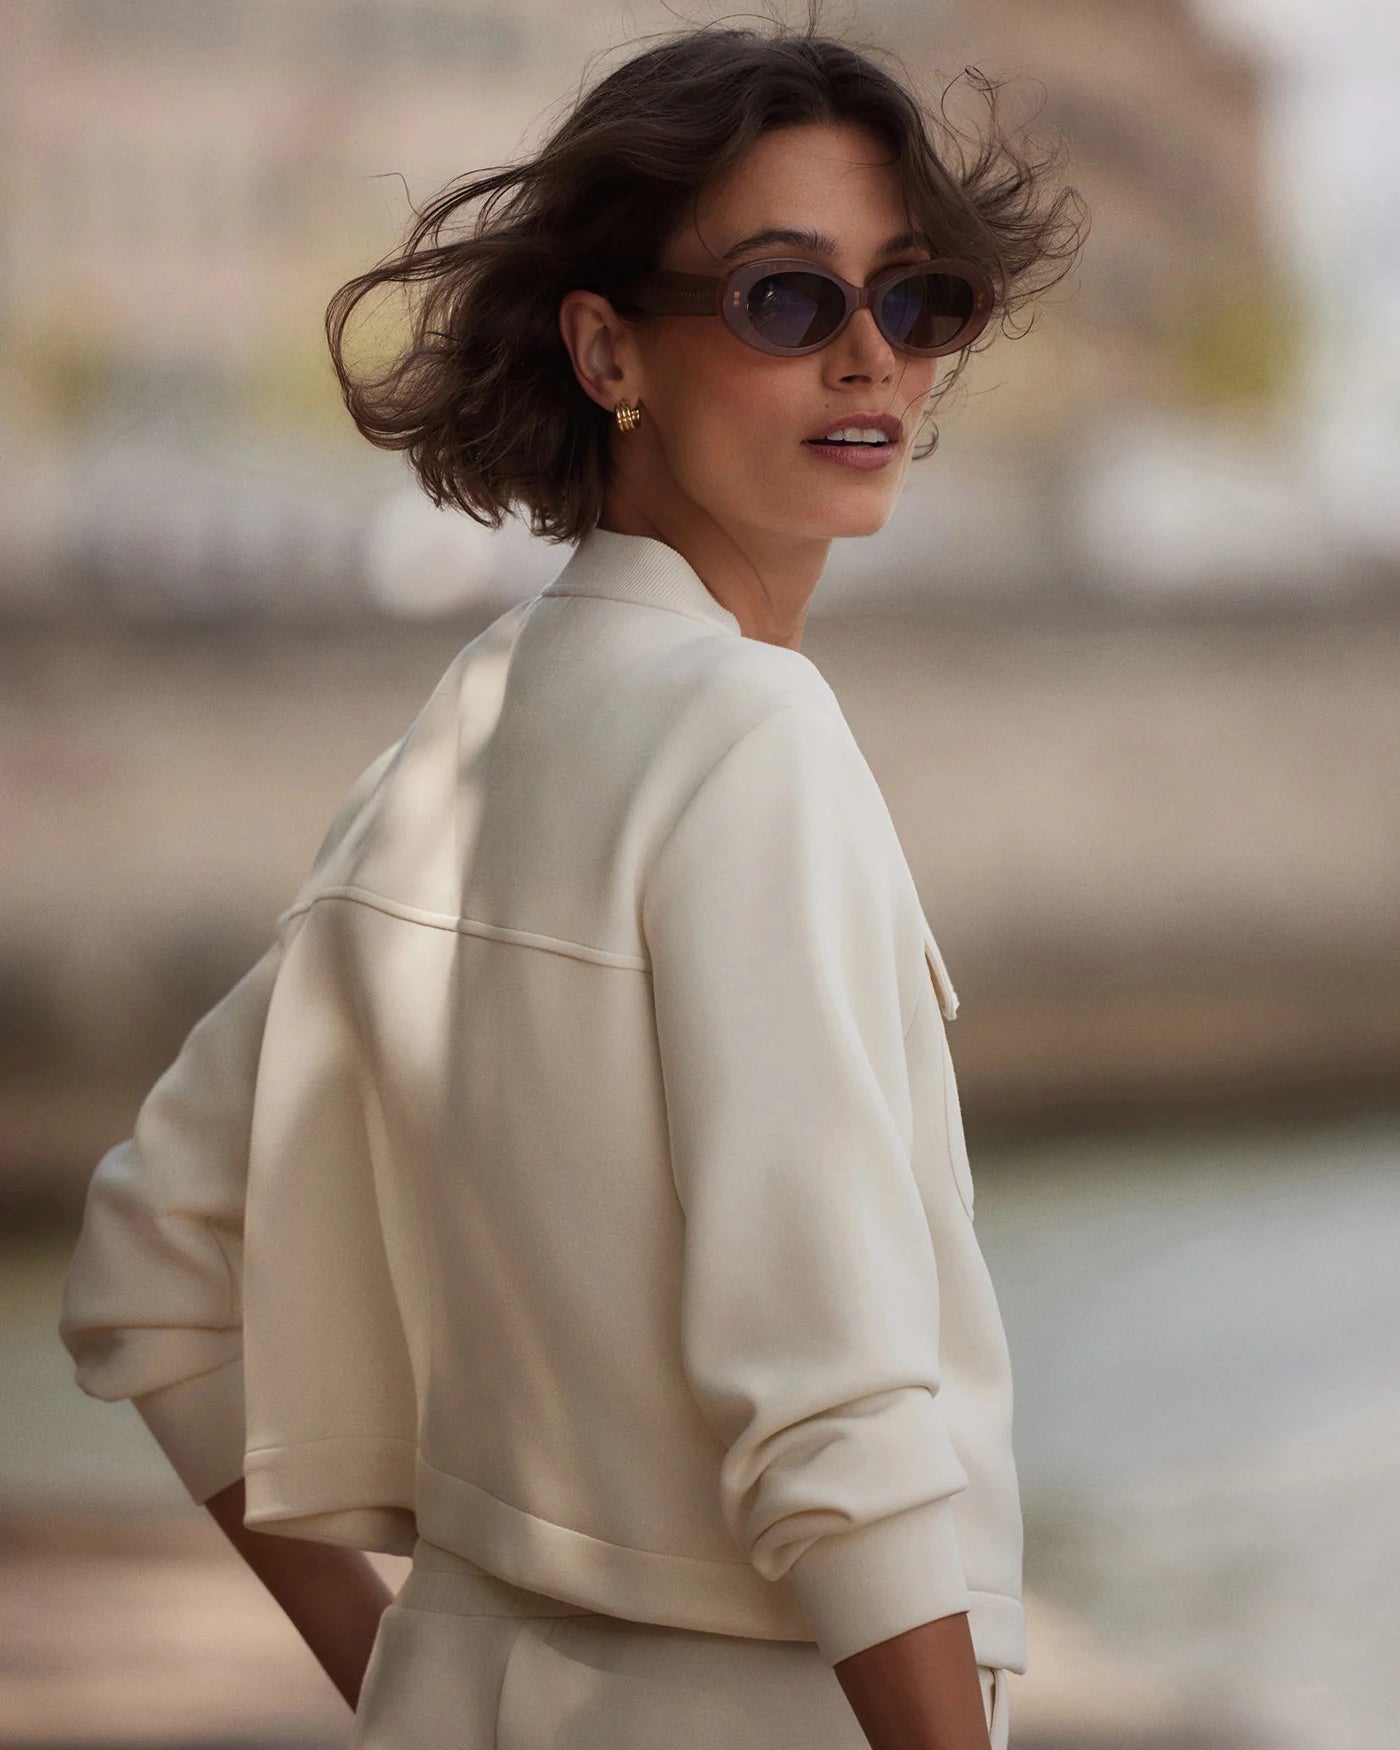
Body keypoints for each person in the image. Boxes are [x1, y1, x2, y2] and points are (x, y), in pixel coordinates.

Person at [57, 9, 1086, 1747]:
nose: (872, 360)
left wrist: (399, 1668)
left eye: (915, 300)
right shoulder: (750, 740)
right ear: (609, 349)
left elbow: (147, 1260)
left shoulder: (459, 739)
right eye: (785, 295)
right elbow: (834, 1414)